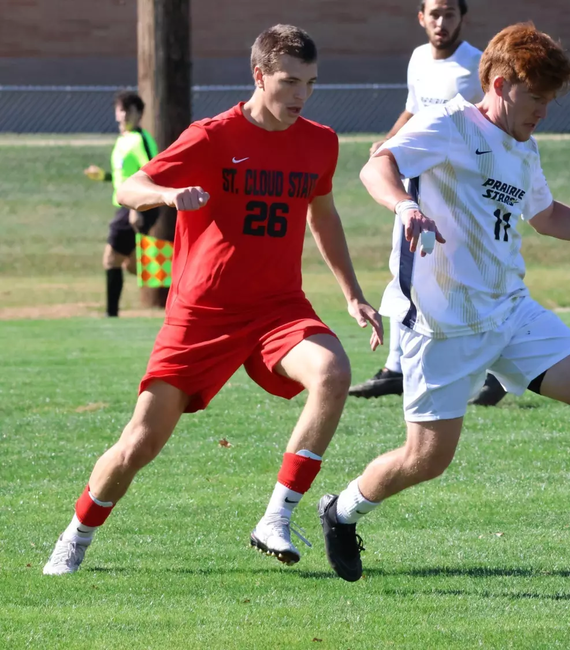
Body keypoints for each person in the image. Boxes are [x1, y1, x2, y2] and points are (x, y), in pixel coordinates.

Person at [318, 22, 570, 582]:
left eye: (549, 99)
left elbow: (544, 216)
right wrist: (403, 206)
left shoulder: (524, 147)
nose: (543, 110)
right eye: (536, 97)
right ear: (499, 84)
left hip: (509, 310)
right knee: (426, 459)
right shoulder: (447, 123)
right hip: (442, 325)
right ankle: (342, 510)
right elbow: (375, 165)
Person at [43, 24, 384, 576]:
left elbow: (322, 214)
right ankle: (77, 532)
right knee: (139, 444)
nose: (300, 95)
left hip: (278, 307)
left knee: (333, 372)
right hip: (202, 315)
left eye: (311, 84)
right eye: (289, 81)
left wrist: (352, 294)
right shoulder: (211, 137)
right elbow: (131, 186)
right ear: (259, 76)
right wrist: (168, 194)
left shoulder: (320, 141)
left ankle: (276, 516)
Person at [352, 0, 507, 407]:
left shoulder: (477, 64)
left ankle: (494, 373)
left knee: (472, 271)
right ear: (421, 18)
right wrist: (388, 142)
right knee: (406, 270)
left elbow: (494, 120)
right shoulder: (419, 58)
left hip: (460, 190)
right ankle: (396, 369)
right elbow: (413, 109)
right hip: (416, 182)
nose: (441, 22)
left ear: (462, 17)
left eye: (449, 13)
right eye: (434, 13)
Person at [83, 91, 160, 317]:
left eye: (130, 110)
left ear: (140, 114)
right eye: (121, 109)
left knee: (111, 258)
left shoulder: (140, 139)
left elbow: (153, 171)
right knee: (132, 265)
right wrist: (104, 177)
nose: (124, 114)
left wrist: (136, 209)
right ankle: (183, 276)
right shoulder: (122, 141)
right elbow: (125, 177)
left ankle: (111, 315)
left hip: (134, 207)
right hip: (124, 206)